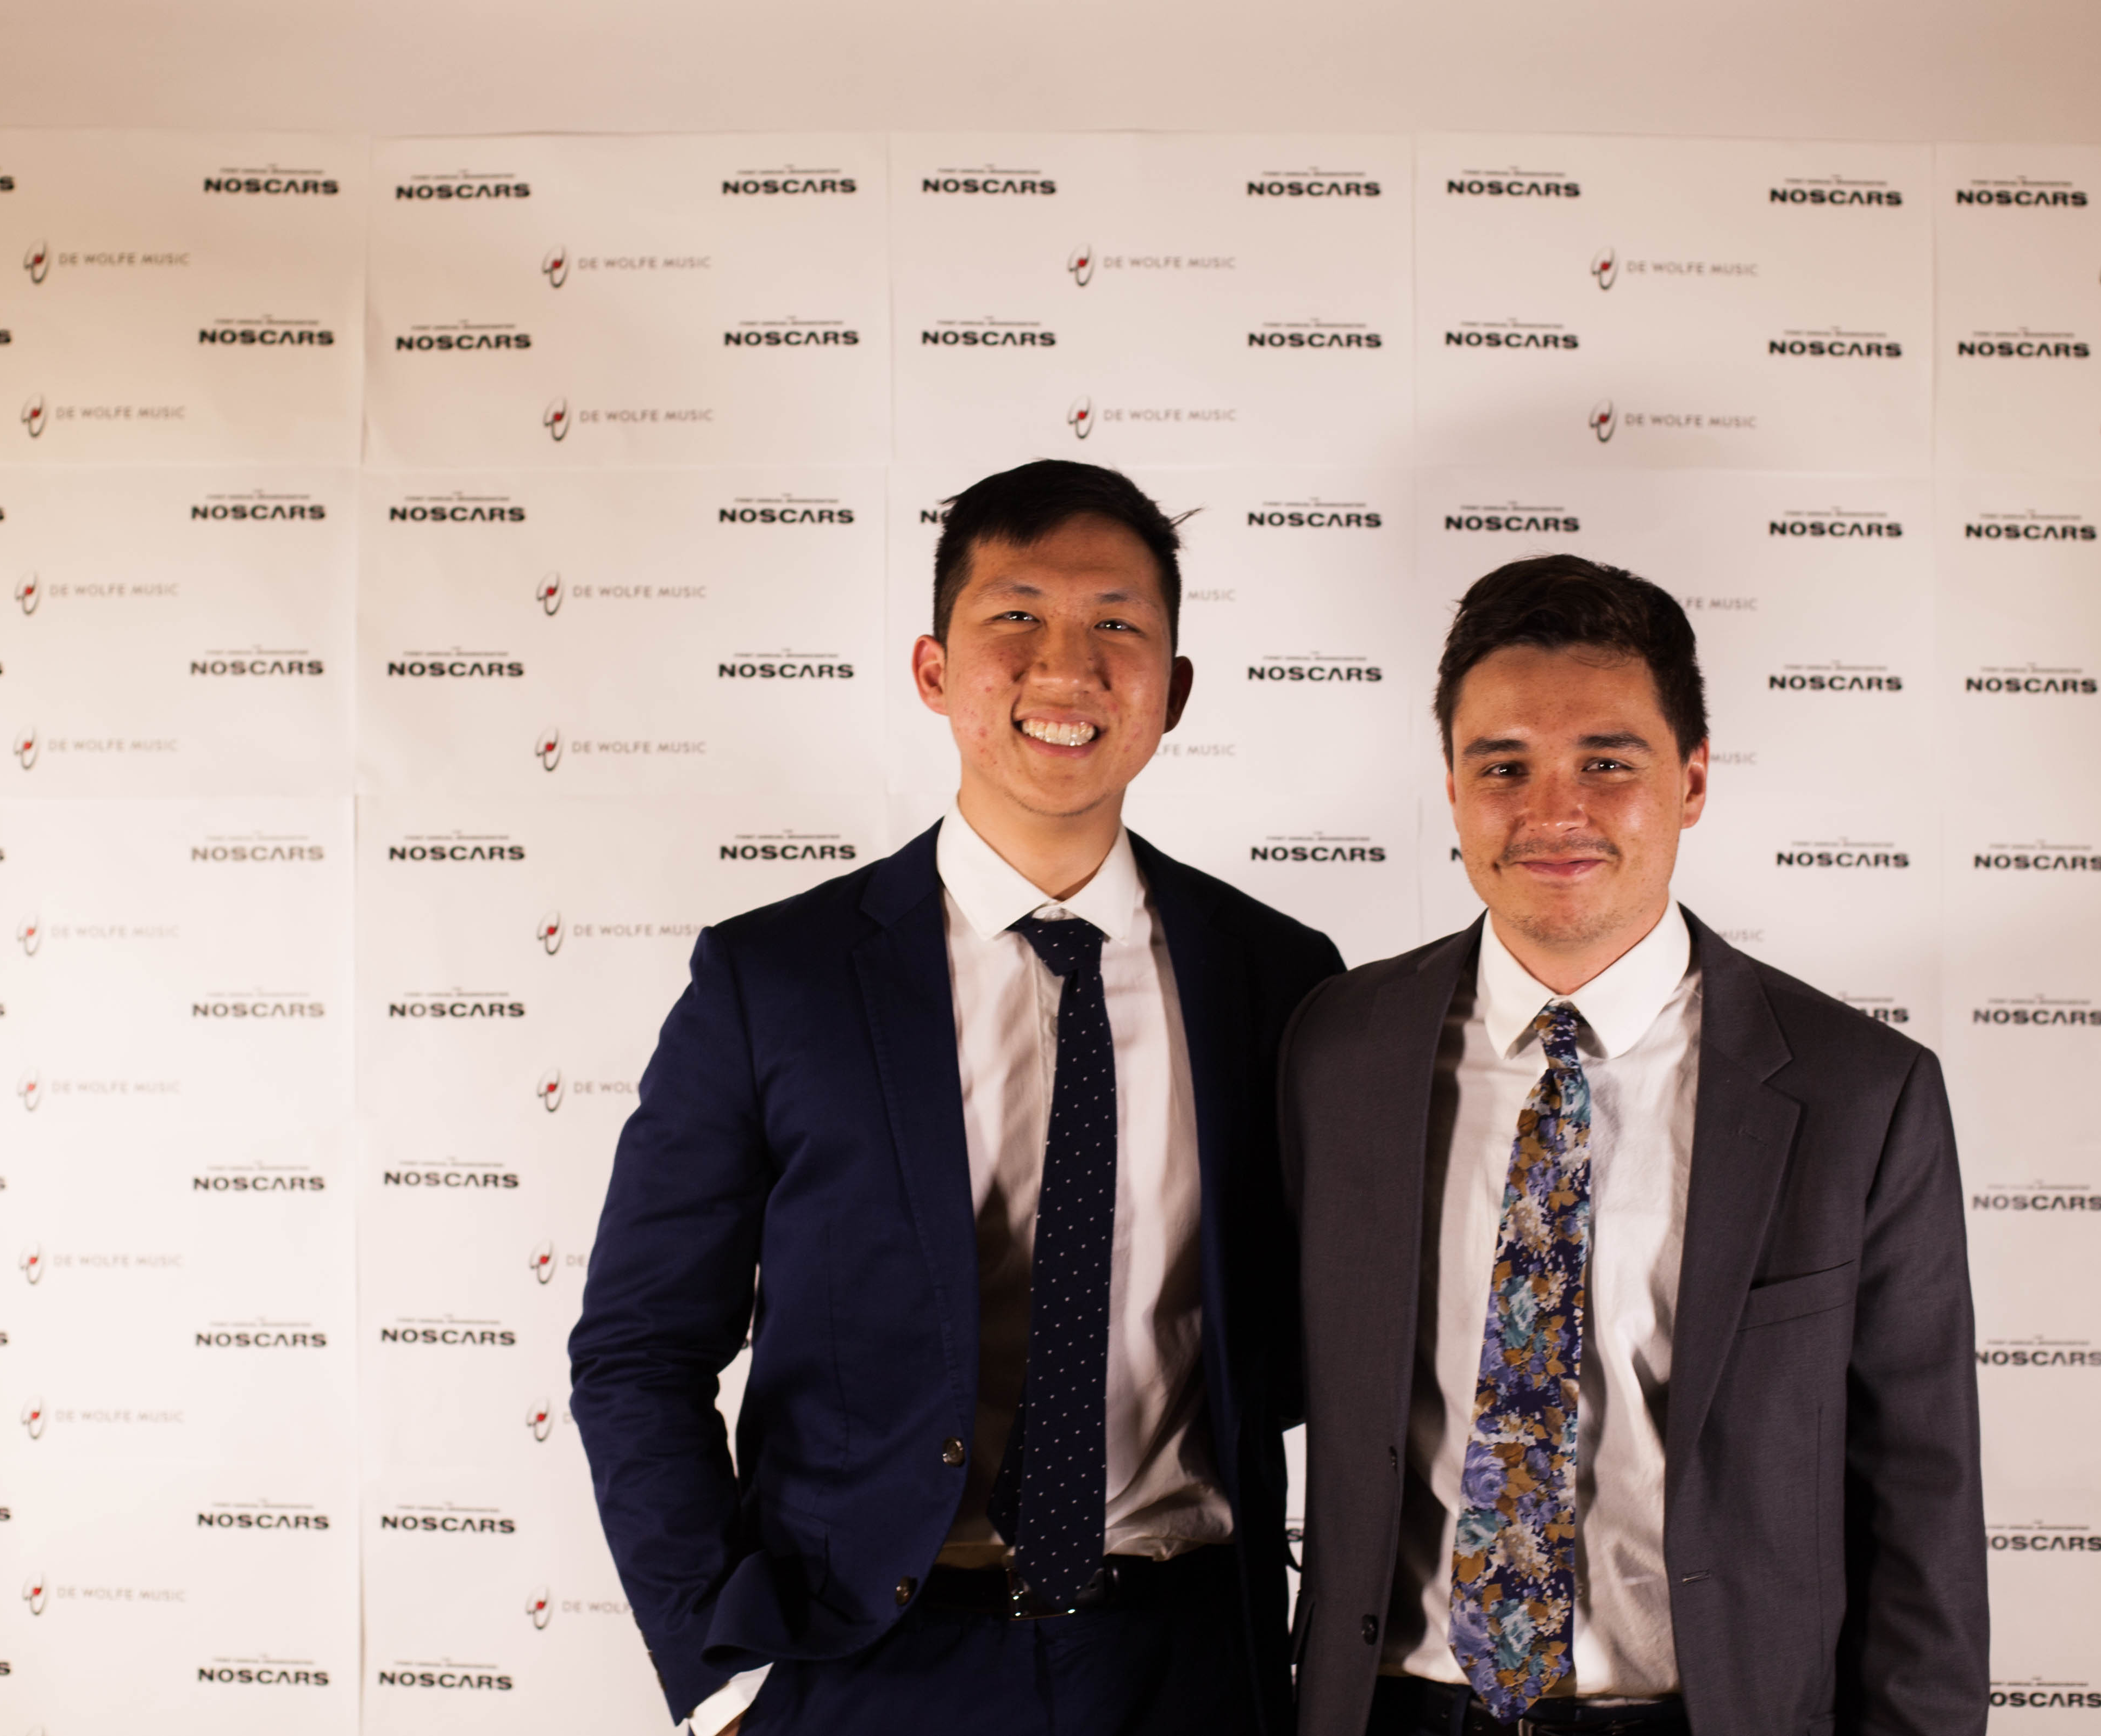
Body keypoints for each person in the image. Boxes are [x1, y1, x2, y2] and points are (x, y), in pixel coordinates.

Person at [570, 459, 1343, 1736]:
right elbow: (638, 1348)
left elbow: (1322, 1343)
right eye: (1015, 616)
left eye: (1116, 624)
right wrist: (723, 1674)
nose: (1065, 665)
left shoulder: (1277, 976)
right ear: (933, 670)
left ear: (1172, 689)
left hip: (1189, 1669)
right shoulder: (778, 978)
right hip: (865, 1667)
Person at [1280, 557, 1985, 1736]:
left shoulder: (1861, 1096)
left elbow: (1922, 1499)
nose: (1553, 810)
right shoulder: (1338, 1049)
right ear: (1451, 789)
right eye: (1503, 766)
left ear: (1692, 779)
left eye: (1606, 763)